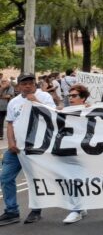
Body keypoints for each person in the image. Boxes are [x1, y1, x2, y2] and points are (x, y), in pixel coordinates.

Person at [0, 74, 55, 225]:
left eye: (31, 83)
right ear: (18, 87)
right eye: (24, 83)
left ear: (35, 84)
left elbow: (53, 116)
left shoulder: (44, 97)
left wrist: (36, 102)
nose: (28, 86)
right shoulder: (14, 102)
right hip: (16, 148)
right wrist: (11, 142)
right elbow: (10, 123)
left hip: (35, 147)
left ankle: (36, 210)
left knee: (35, 179)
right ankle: (11, 211)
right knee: (5, 178)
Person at [63, 84, 90, 224]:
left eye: (74, 96)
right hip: (70, 150)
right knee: (71, 178)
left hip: (85, 151)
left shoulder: (91, 110)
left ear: (83, 98)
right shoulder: (64, 111)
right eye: (69, 96)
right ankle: (79, 207)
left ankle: (76, 210)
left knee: (76, 179)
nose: (71, 98)